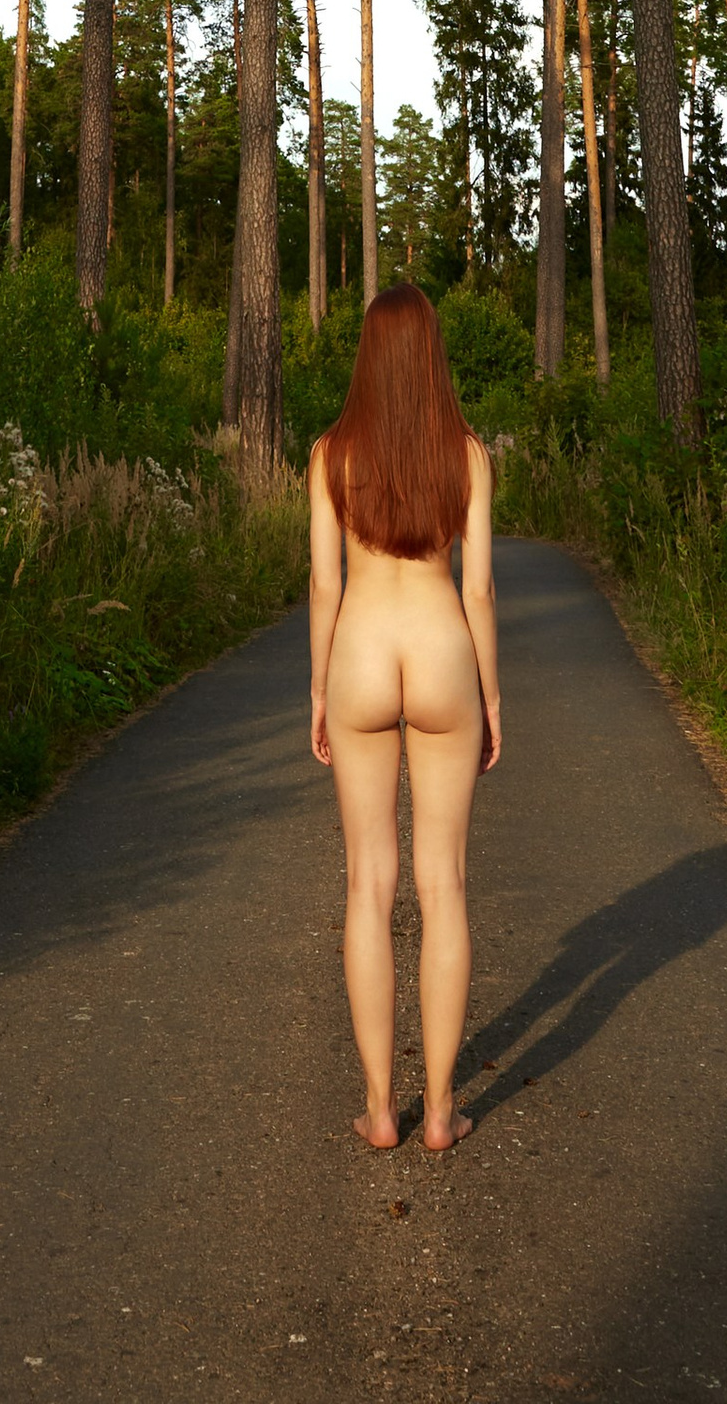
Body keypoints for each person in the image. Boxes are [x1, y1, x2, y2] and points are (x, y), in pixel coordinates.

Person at [307, 282, 502, 1152]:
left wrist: (317, 691)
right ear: (430, 354)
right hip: (441, 657)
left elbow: (324, 586)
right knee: (444, 885)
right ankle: (443, 1110)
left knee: (368, 887)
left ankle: (382, 1107)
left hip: (358, 658)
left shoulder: (330, 454)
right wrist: (492, 699)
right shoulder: (465, 453)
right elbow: (481, 588)